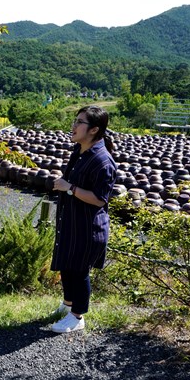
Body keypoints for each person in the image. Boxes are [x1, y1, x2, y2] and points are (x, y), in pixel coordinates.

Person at [50, 106, 117, 333]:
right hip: (71, 222)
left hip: (87, 227)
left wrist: (69, 188)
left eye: (80, 122)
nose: (74, 126)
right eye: (75, 120)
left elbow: (99, 199)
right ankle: (68, 305)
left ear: (94, 130)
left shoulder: (102, 161)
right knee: (67, 266)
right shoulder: (79, 151)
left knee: (79, 271)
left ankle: (78, 316)